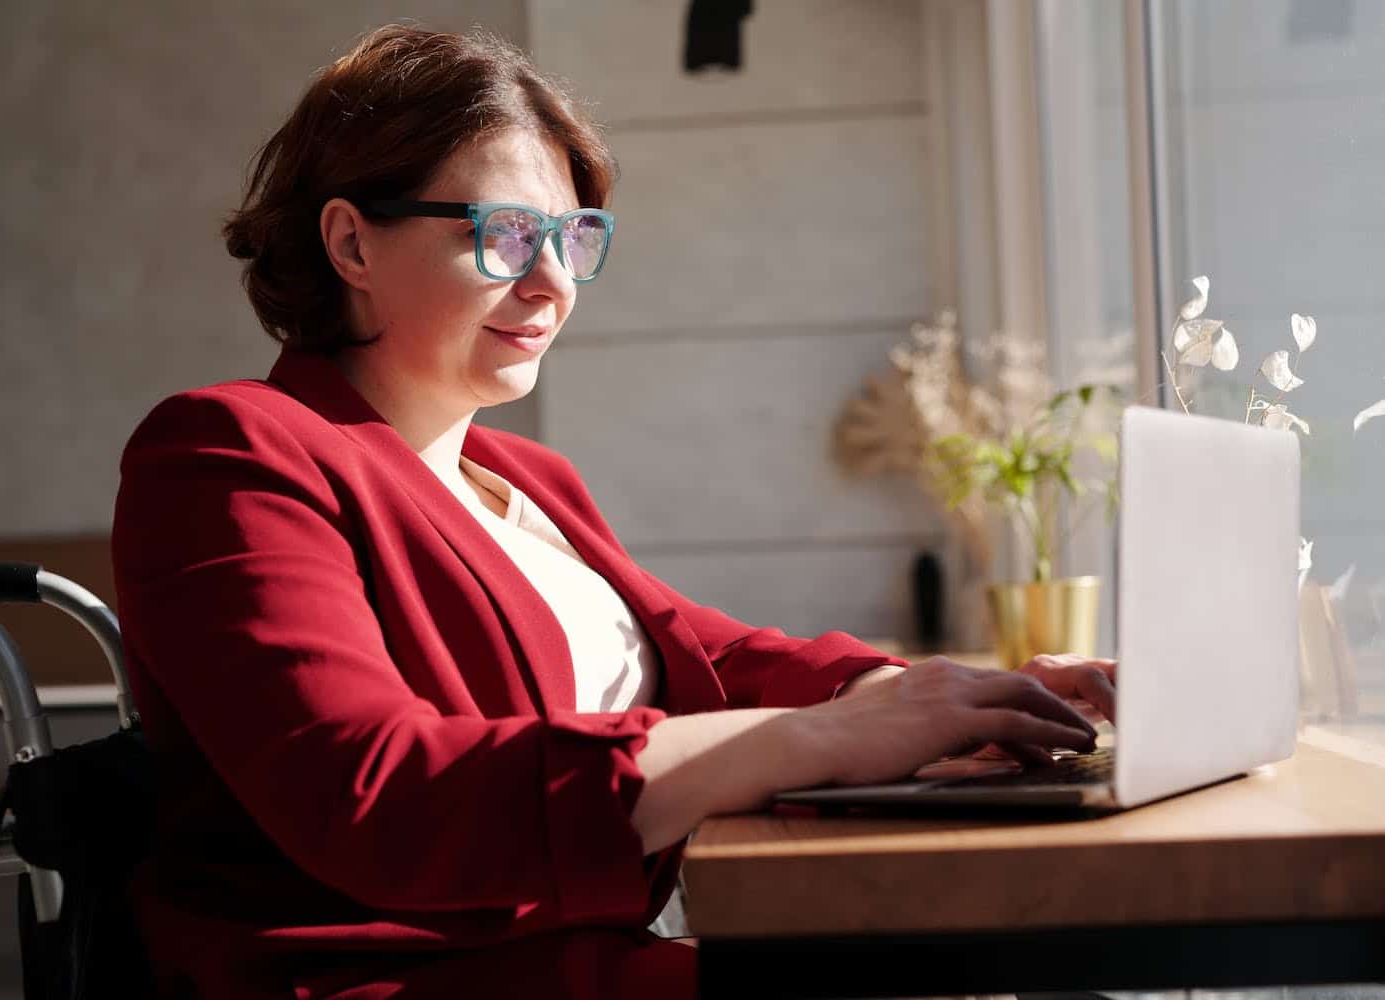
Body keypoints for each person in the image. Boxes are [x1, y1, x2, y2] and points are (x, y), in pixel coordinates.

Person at [110, 24, 1117, 1000]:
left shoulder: (527, 479)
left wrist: (948, 698)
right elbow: (376, 795)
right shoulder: (227, 451)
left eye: (570, 237)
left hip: (568, 962)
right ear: (350, 241)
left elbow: (714, 661)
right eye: (503, 236)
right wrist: (820, 738)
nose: (550, 282)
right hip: (396, 979)